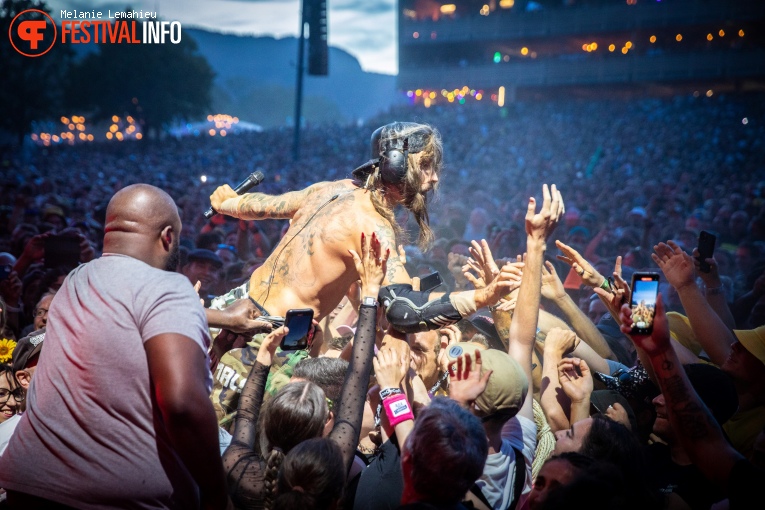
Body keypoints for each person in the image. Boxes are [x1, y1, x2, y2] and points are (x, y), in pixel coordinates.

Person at [0, 184, 231, 509]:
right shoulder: (169, 286)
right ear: (168, 237)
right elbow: (182, 404)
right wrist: (217, 497)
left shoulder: (76, 280)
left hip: (25, 484)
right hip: (118, 498)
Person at [209, 122, 515, 331]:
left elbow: (264, 207)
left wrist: (227, 203)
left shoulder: (331, 188)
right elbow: (405, 311)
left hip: (232, 305)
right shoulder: (374, 226)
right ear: (395, 164)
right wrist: (483, 297)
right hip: (262, 333)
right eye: (425, 165)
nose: (434, 178)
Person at [223, 231, 387, 509]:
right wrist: (369, 296)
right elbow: (357, 380)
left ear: (270, 421)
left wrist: (263, 360)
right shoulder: (330, 472)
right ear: (326, 423)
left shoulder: (239, 470)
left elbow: (246, 415)